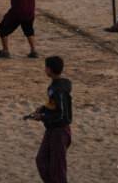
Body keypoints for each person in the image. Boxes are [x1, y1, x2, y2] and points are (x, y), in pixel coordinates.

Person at [27, 55, 72, 183]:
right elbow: (54, 106)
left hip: (59, 131)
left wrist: (43, 116)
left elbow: (62, 115)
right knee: (42, 160)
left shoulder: (59, 89)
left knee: (57, 168)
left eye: (46, 67)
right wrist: (43, 109)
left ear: (49, 69)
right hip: (52, 130)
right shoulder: (56, 86)